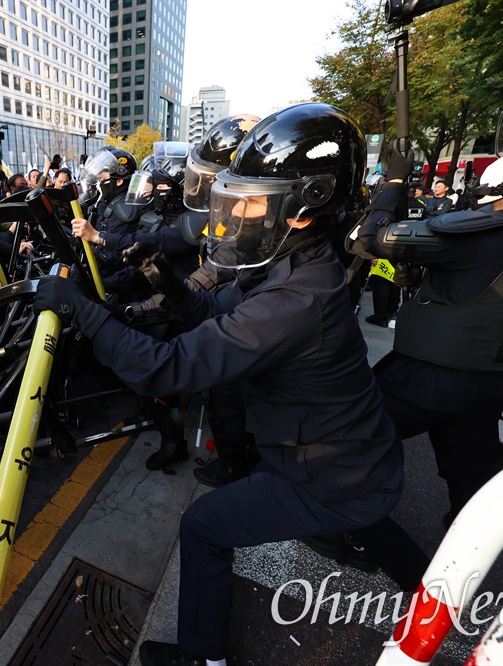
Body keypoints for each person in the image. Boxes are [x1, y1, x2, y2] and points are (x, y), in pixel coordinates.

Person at [35, 103, 425, 665]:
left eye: (253, 199)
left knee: (203, 528)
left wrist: (84, 313)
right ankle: (445, 594)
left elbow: (168, 368)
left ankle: (203, 658)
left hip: (327, 474)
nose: (239, 211)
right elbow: (213, 310)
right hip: (359, 461)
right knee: (374, 520)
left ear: (305, 204)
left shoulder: (297, 297)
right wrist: (167, 280)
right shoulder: (293, 265)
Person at [354, 102, 503, 526]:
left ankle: (351, 531)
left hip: (431, 379)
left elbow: (373, 239)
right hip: (492, 381)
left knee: (345, 436)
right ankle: (464, 561)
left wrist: (395, 182)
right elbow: (491, 283)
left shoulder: (491, 228)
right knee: (472, 481)